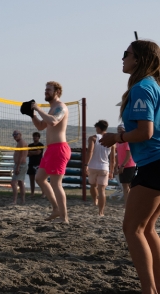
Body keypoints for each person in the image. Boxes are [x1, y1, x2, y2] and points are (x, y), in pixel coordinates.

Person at [99, 40, 160, 293]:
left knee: (132, 228)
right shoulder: (153, 85)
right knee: (146, 229)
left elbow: (146, 132)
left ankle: (149, 291)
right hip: (155, 162)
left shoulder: (143, 87)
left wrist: (117, 138)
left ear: (139, 59)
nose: (122, 58)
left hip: (154, 163)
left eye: (127, 54)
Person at [30, 81, 70, 223]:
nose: (46, 92)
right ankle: (56, 209)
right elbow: (41, 126)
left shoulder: (61, 107)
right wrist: (32, 114)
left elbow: (53, 121)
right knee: (39, 178)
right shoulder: (51, 108)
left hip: (59, 148)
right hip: (51, 149)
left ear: (57, 92)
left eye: (49, 89)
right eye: (45, 89)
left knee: (56, 184)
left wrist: (38, 109)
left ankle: (64, 217)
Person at [84, 120, 115, 216]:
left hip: (93, 166)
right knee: (102, 190)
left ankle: (94, 201)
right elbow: (112, 159)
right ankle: (101, 212)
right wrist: (112, 171)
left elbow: (90, 152)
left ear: (98, 128)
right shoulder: (111, 140)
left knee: (93, 185)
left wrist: (86, 165)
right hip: (104, 167)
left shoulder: (93, 138)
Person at [115, 123, 136, 202]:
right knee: (124, 185)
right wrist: (116, 166)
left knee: (128, 185)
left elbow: (128, 155)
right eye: (118, 129)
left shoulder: (127, 141)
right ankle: (127, 202)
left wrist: (123, 165)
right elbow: (117, 155)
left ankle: (129, 202)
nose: (119, 131)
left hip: (129, 165)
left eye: (121, 129)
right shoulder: (118, 141)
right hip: (121, 165)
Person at [11, 130, 28, 205]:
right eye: (13, 135)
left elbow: (21, 155)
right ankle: (22, 201)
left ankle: (15, 201)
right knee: (21, 183)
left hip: (20, 165)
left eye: (16, 134)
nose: (14, 136)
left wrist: (17, 167)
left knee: (14, 182)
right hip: (21, 164)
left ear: (20, 134)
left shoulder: (21, 142)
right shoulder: (20, 142)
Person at [27, 132, 45, 196]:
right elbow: (27, 154)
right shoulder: (30, 145)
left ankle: (43, 192)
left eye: (36, 136)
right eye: (34, 136)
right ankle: (32, 193)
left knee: (40, 179)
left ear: (39, 137)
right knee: (31, 180)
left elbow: (38, 153)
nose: (35, 137)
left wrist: (31, 152)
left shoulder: (40, 145)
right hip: (31, 163)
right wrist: (33, 152)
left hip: (39, 164)